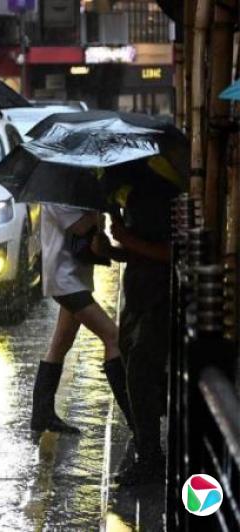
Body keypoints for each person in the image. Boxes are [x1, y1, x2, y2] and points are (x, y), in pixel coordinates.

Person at [30, 204, 133, 436]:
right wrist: (100, 205)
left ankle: (42, 415)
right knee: (113, 337)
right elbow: (83, 226)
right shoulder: (56, 197)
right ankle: (135, 419)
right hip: (65, 281)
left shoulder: (75, 193)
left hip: (77, 277)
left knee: (60, 345)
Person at [111, 178, 178, 485]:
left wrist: (127, 240)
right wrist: (112, 248)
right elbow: (136, 249)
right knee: (130, 365)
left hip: (159, 299)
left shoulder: (168, 197)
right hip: (136, 297)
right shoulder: (131, 194)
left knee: (140, 367)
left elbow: (171, 252)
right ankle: (145, 442)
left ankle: (150, 455)